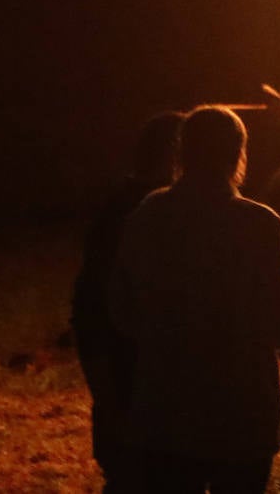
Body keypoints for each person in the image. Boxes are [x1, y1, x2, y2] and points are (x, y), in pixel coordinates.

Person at [110, 105, 280, 494]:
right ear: (238, 154)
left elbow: (121, 309)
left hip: (167, 414)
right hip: (243, 418)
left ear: (182, 153)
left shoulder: (149, 216)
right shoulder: (259, 224)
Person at [72, 110, 183, 493]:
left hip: (135, 374)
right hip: (129, 371)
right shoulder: (140, 211)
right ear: (174, 155)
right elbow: (93, 299)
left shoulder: (142, 206)